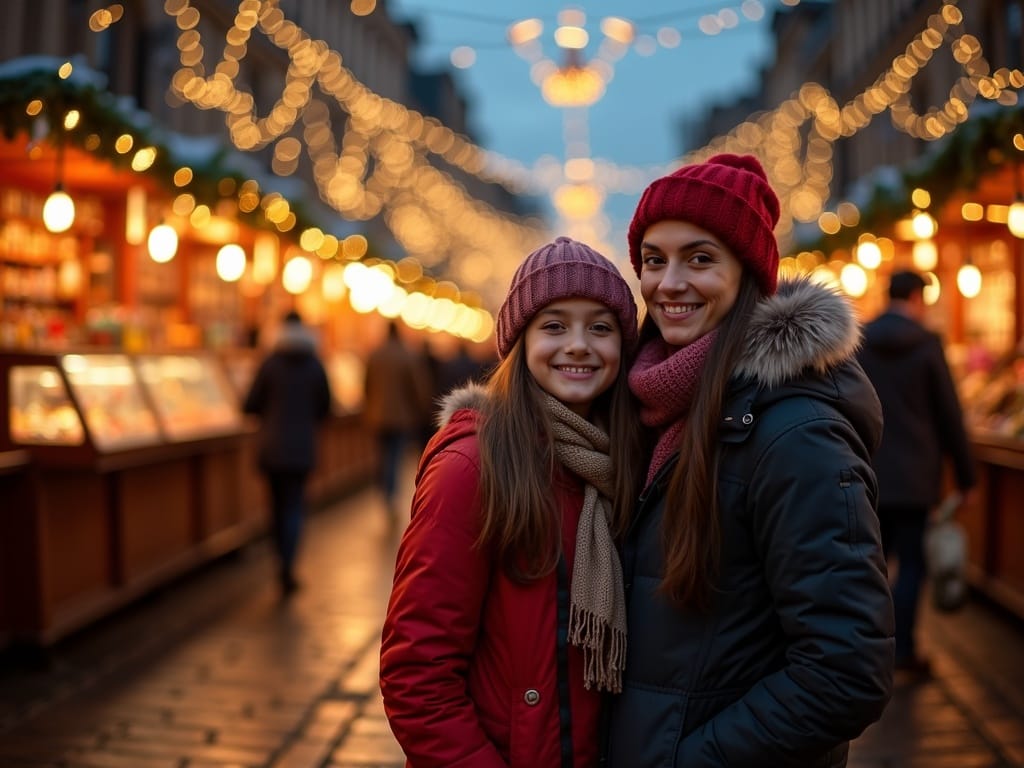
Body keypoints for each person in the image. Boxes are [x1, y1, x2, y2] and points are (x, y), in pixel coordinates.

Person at [604, 154, 894, 767]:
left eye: (700, 258)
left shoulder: (795, 432)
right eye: (654, 260)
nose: (669, 282)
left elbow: (845, 672)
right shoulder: (648, 408)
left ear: (748, 274)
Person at [379, 237, 644, 767]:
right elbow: (417, 674)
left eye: (600, 326)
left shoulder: (625, 463)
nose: (578, 344)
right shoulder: (473, 465)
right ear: (518, 342)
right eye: (553, 326)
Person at [857, 270, 976, 676]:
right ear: (917, 297)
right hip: (915, 479)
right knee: (912, 566)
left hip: (867, 472)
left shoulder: (860, 340)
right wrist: (966, 476)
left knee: (868, 566)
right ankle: (903, 650)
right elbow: (949, 415)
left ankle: (865, 651)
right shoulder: (927, 344)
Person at [243, 310, 332, 595]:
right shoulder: (315, 364)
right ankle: (288, 566)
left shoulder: (269, 363)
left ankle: (279, 560)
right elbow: (326, 406)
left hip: (272, 447)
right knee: (294, 506)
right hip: (302, 447)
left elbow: (249, 404)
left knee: (276, 506)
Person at [362, 320, 433, 524]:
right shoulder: (407, 355)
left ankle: (384, 487)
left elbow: (366, 384)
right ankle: (390, 493)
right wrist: (421, 409)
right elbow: (418, 386)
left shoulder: (375, 355)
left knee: (382, 454)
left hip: (377, 415)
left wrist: (370, 406)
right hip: (401, 417)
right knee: (394, 455)